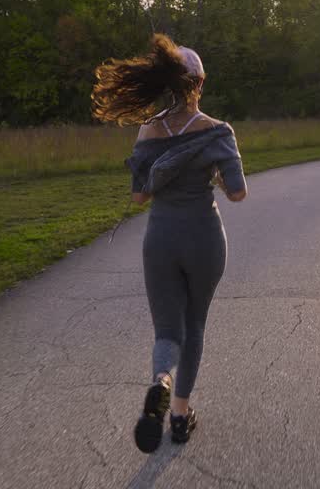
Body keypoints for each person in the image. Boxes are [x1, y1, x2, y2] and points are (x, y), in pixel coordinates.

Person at [91, 34, 247, 453]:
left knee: (166, 329)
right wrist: (213, 176)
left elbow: (140, 196)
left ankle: (160, 381)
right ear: (199, 84)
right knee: (194, 325)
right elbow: (237, 192)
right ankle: (179, 416)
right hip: (203, 238)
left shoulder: (147, 132)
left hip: (160, 239)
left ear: (167, 85)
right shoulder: (218, 131)